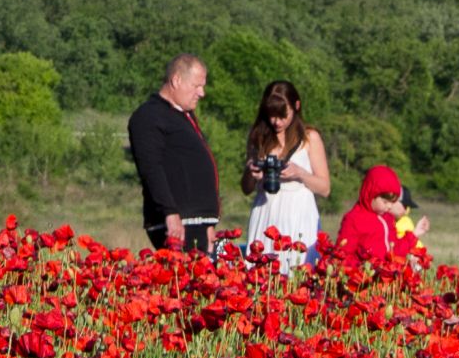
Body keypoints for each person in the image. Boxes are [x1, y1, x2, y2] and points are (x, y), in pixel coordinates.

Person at [127, 54, 220, 255]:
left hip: (197, 222)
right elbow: (151, 168)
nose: (202, 93)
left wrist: (209, 222)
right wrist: (170, 212)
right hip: (177, 224)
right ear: (176, 80)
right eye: (197, 86)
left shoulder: (182, 115)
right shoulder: (150, 116)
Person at [239, 80, 329, 273]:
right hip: (266, 211)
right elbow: (246, 188)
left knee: (297, 274)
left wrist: (300, 173)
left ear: (296, 106)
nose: (276, 122)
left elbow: (324, 188)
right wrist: (252, 172)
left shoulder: (309, 138)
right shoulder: (259, 137)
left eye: (282, 115)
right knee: (261, 276)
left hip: (299, 213)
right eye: (271, 115)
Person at [334, 164, 430, 264]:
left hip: (385, 276)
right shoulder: (354, 219)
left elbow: (395, 250)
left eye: (392, 202)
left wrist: (414, 234)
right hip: (365, 276)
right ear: (371, 194)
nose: (389, 206)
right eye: (385, 202)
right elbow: (343, 255)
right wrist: (365, 269)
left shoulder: (388, 218)